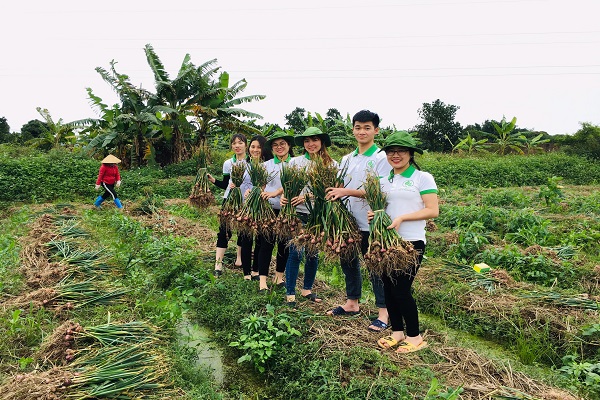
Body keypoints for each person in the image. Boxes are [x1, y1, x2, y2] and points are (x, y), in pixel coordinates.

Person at [370, 131, 439, 353]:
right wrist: (375, 215)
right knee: (388, 289)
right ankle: (397, 332)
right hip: (386, 242)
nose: (395, 155)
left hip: (410, 243)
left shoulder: (422, 177)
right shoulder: (383, 180)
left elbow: (432, 210)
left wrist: (402, 218)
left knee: (401, 290)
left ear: (410, 153)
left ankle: (415, 336)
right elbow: (382, 207)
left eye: (401, 151)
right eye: (391, 151)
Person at [325, 110, 391, 332]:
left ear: (376, 130)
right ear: (352, 129)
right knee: (348, 263)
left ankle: (384, 312)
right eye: (358, 127)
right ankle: (352, 302)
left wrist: (346, 191)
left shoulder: (382, 158)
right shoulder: (347, 158)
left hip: (371, 222)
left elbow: (381, 190)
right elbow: (339, 189)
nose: (362, 132)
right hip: (348, 221)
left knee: (376, 266)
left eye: (367, 127)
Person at [281, 127, 335, 306]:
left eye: (314, 140)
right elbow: (286, 185)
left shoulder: (331, 164)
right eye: (307, 141)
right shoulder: (295, 162)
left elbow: (330, 190)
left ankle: (307, 290)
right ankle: (290, 293)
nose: (311, 144)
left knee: (313, 253)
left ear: (322, 142)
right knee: (295, 253)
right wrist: (283, 196)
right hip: (297, 213)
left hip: (317, 215)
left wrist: (308, 196)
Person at [207, 133, 252, 277]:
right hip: (229, 200)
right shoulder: (228, 163)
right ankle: (218, 265)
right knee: (224, 231)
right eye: (234, 143)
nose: (237, 146)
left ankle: (239, 259)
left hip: (246, 201)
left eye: (240, 142)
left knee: (244, 231)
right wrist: (213, 180)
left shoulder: (253, 162)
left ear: (246, 144)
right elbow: (225, 184)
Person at [255, 131, 294, 291]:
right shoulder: (266, 165)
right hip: (270, 209)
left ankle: (279, 277)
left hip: (288, 210)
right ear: (271, 148)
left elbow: (292, 183)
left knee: (284, 245)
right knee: (266, 244)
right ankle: (262, 280)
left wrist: (277, 192)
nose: (279, 147)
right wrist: (256, 192)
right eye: (275, 145)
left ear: (288, 146)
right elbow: (261, 185)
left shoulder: (296, 164)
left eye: (282, 144)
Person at [246, 135, 273, 281]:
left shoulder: (267, 164)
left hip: (267, 204)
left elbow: (264, 185)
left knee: (263, 241)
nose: (255, 150)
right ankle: (251, 271)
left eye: (259, 147)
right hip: (252, 203)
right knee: (253, 238)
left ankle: (258, 270)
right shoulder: (246, 163)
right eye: (253, 146)